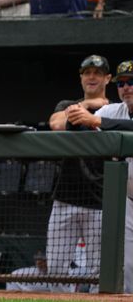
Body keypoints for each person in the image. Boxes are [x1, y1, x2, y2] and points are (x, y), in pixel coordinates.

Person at [63, 59, 133, 294]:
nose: (126, 88)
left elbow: (112, 124)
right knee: (128, 268)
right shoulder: (114, 110)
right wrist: (75, 116)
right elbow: (82, 126)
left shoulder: (109, 116)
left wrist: (96, 120)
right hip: (129, 201)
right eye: (122, 83)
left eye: (132, 82)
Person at [45, 55, 111, 291]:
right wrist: (84, 106)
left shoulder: (115, 109)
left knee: (101, 271)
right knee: (55, 270)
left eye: (97, 72)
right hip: (66, 197)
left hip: (101, 200)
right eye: (87, 72)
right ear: (81, 77)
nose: (91, 77)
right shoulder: (67, 105)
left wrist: (98, 110)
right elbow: (56, 124)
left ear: (107, 78)